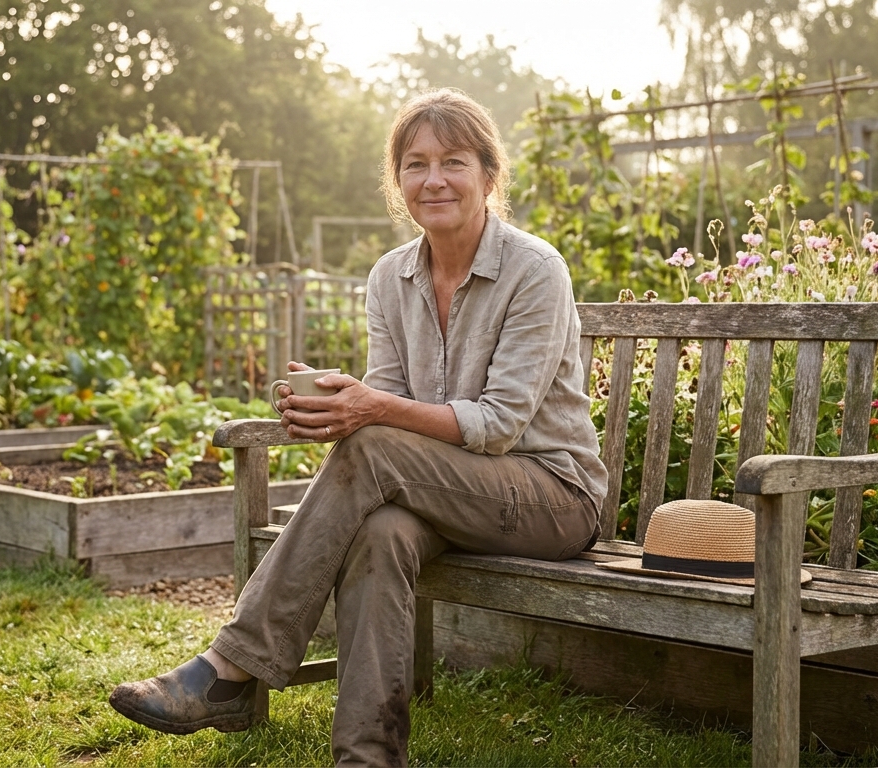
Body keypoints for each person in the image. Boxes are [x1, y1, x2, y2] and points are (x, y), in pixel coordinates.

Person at [108, 88, 608, 766]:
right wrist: (336, 409)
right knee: (380, 532)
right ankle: (367, 757)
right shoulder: (388, 277)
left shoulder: (534, 270)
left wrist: (368, 411)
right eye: (415, 163)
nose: (433, 179)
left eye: (454, 162)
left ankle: (229, 665)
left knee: (372, 443)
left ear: (491, 176)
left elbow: (498, 424)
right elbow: (395, 404)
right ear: (397, 180)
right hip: (446, 491)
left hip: (551, 495)